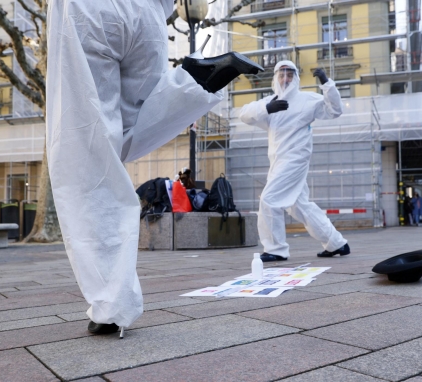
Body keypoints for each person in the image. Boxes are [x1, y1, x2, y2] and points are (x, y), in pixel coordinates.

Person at [47, 0, 263, 335]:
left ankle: (112, 303)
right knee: (126, 131)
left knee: (85, 155)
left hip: (88, 10)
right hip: (148, 16)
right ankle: (197, 80)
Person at [239, 61, 349, 262]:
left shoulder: (306, 100)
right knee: (299, 206)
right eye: (282, 74)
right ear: (276, 78)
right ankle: (336, 243)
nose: (285, 78)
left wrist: (326, 83)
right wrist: (267, 108)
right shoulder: (270, 103)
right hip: (277, 161)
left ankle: (276, 249)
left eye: (290, 74)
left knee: (269, 199)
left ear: (296, 77)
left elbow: (334, 110)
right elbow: (244, 114)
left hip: (295, 159)